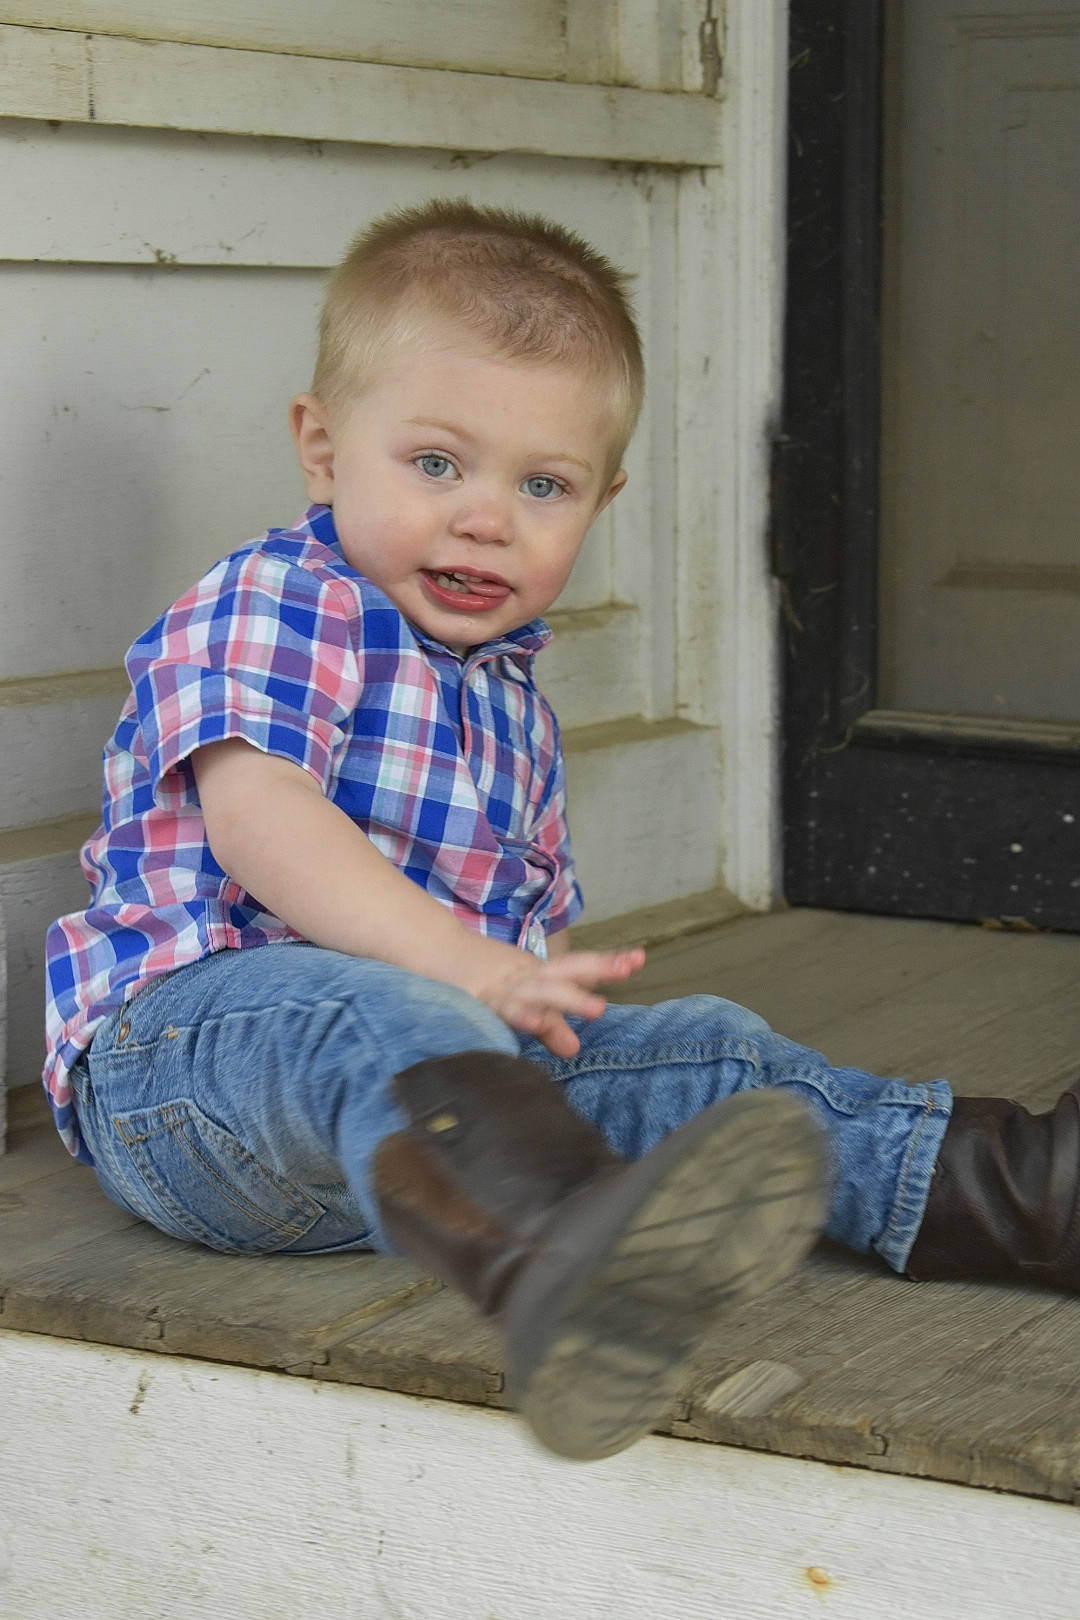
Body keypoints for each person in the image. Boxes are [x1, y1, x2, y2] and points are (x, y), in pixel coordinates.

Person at [44, 200, 1079, 1463]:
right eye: (436, 464)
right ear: (322, 447)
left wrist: (523, 999)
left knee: (707, 1053)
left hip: (425, 1152)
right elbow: (266, 823)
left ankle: (1020, 1192)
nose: (488, 517)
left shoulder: (504, 691)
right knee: (376, 1011)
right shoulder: (280, 599)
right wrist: (471, 969)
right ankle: (565, 1261)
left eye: (544, 485)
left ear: (604, 496)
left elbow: (507, 959)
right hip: (197, 1082)